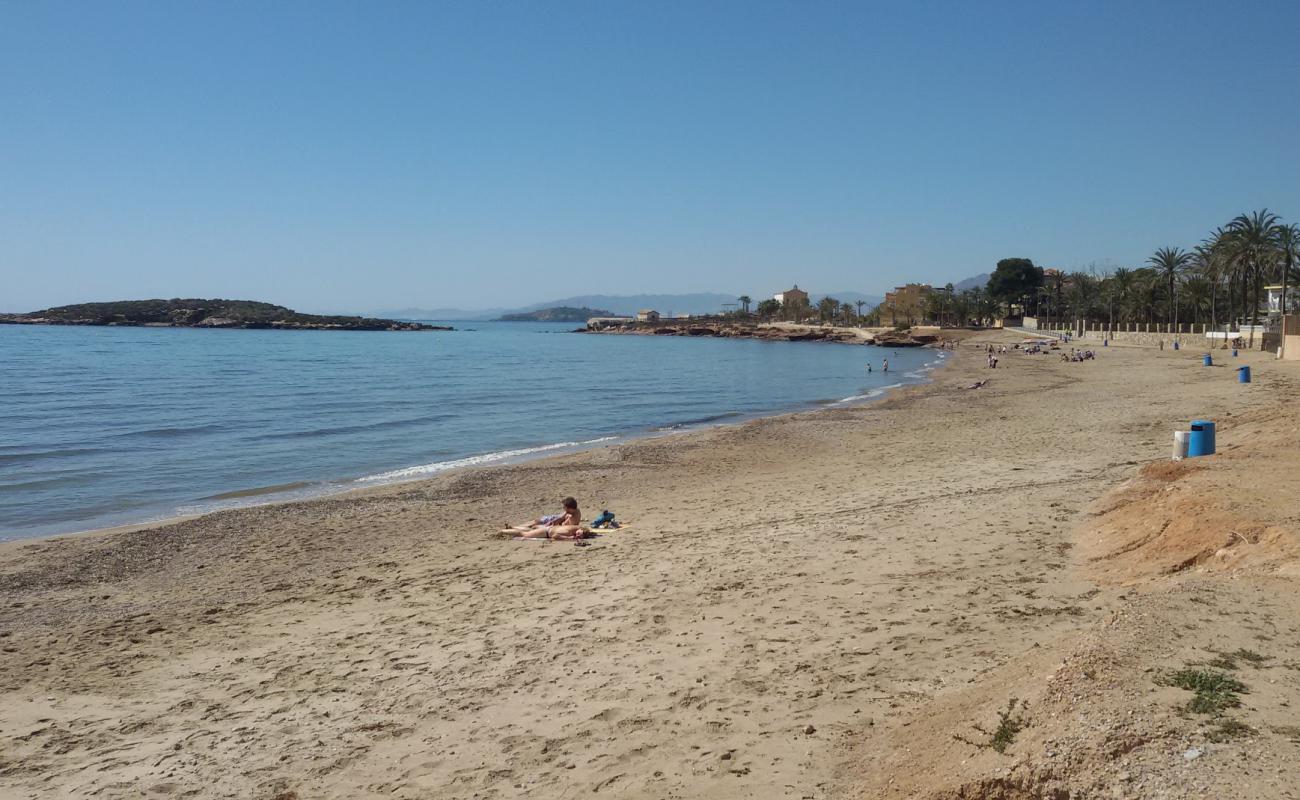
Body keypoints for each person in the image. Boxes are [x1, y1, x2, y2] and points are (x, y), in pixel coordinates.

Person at [511, 497, 585, 540]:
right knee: (535, 524)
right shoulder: (573, 512)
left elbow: (561, 526)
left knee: (534, 525)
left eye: (565, 507)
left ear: (569, 508)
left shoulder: (573, 517)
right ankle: (514, 528)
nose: (564, 509)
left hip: (553, 528)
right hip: (554, 524)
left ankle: (514, 528)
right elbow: (561, 518)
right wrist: (554, 522)